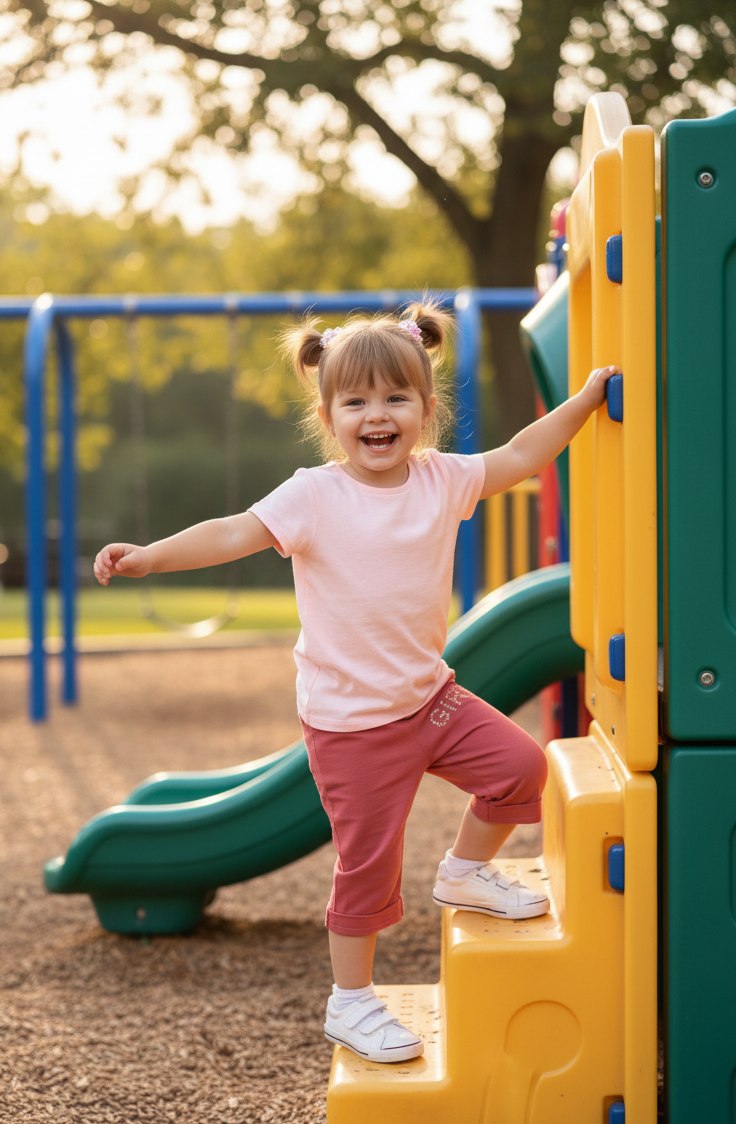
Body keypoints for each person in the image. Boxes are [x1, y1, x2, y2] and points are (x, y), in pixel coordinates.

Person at [94, 301, 616, 1066]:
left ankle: (466, 872)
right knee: (368, 870)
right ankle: (351, 1002)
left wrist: (585, 401)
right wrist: (150, 555)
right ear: (329, 414)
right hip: (352, 726)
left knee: (521, 771)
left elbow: (521, 456)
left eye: (396, 398)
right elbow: (233, 532)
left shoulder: (442, 481)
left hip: (430, 699)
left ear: (426, 410)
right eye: (357, 402)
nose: (378, 415)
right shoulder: (314, 495)